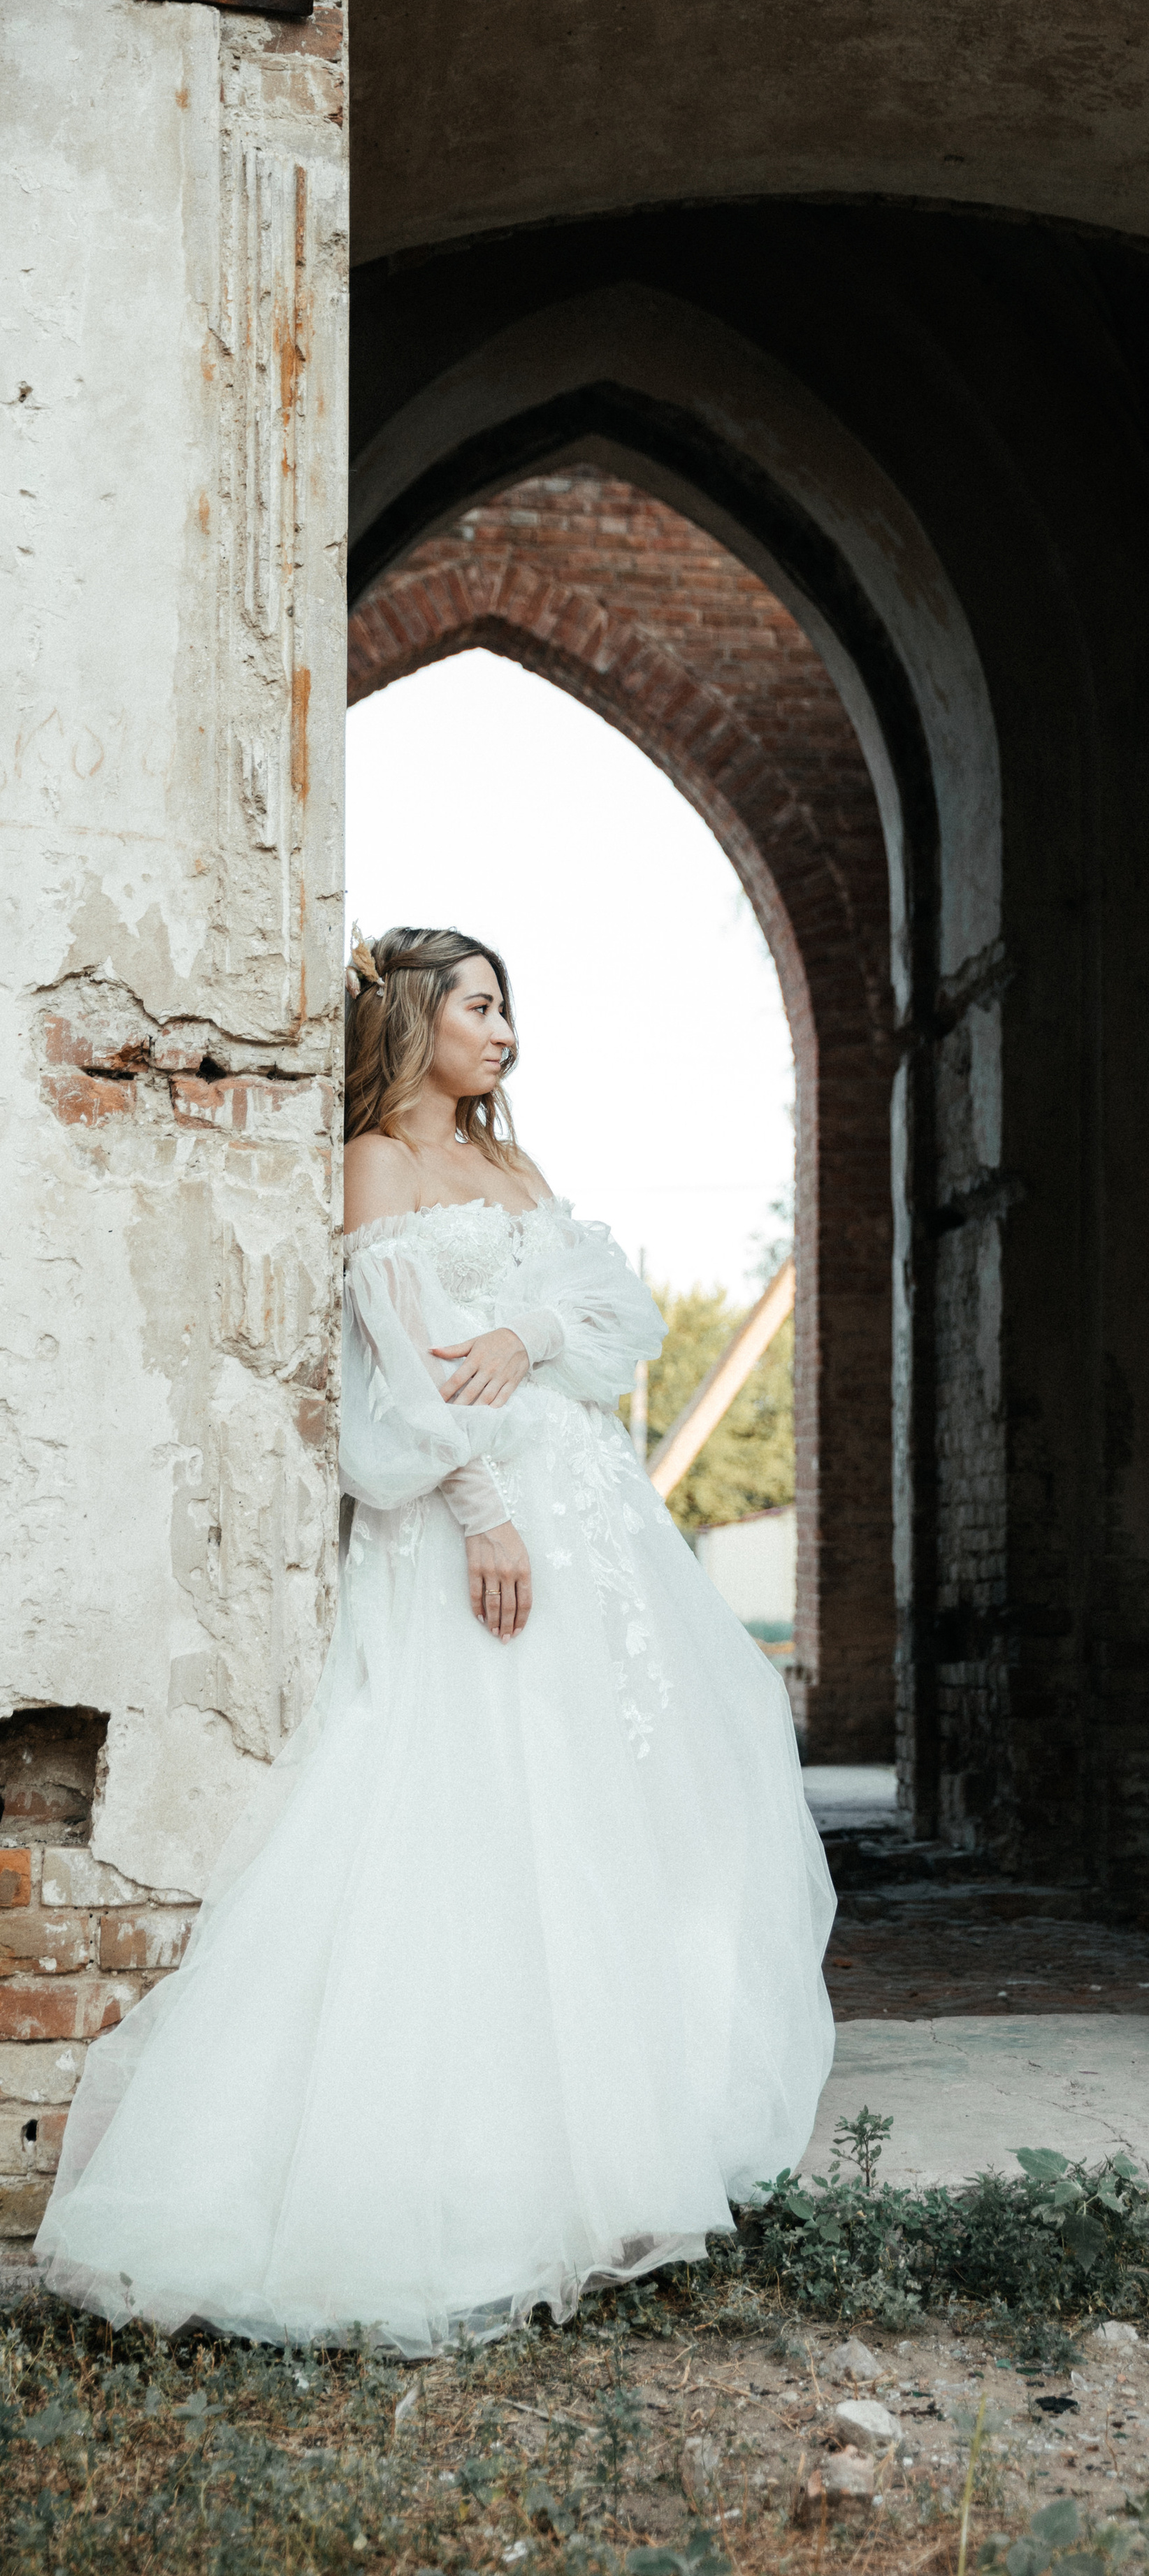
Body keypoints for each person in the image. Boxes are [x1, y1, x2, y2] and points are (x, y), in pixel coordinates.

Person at [36, 926, 837, 2347]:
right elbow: (389, 1373)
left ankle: (624, 2143)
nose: (505, 1033)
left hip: (593, 1521)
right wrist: (479, 1511)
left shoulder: (513, 1167)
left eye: (509, 1008)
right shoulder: (378, 1166)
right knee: (468, 1813)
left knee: (605, 1812)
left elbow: (616, 1313)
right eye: (481, 1007)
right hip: (478, 1526)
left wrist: (529, 1331)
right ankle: (465, 2178)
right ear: (414, 1020)